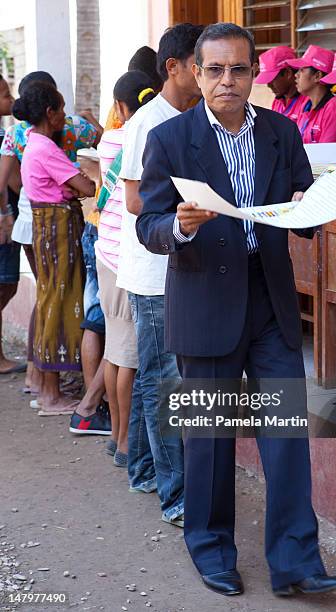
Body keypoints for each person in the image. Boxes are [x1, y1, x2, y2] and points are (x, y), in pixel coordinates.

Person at [136, 23, 336, 597]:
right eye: (215, 70)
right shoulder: (171, 139)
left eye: (239, 70)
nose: (227, 80)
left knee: (285, 438)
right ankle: (210, 550)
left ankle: (296, 562)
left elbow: (308, 202)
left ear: (254, 74)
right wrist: (175, 225)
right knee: (209, 439)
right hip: (204, 300)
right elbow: (147, 223)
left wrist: (311, 206)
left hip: (270, 300)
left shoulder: (280, 132)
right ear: (196, 74)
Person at [117, 22, 203, 525]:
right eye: (201, 63)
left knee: (159, 375)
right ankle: (175, 495)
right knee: (162, 379)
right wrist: (187, 208)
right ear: (174, 67)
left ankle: (144, 470)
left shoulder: (191, 115)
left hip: (174, 264)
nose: (210, 73)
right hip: (153, 271)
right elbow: (133, 200)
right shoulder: (150, 122)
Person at [71, 71, 156, 466]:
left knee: (119, 352)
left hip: (107, 252)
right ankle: (123, 442)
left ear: (120, 108)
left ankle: (119, 438)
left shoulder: (110, 138)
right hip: (127, 258)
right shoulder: (148, 136)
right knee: (127, 356)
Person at [0, 70, 103, 397]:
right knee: (58, 301)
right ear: (49, 112)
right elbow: (87, 186)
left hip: (38, 222)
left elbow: (9, 180)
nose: (65, 115)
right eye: (60, 109)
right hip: (55, 226)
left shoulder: (24, 139)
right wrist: (77, 188)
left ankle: (41, 383)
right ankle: (50, 392)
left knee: (49, 299)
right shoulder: (47, 145)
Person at [0, 74, 23, 375]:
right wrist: (5, 214)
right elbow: (12, 182)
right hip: (4, 220)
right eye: (6, 94)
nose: (11, 99)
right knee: (5, 284)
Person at [286, 45, 336, 145]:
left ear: (317, 76)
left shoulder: (334, 108)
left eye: (302, 70)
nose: (296, 75)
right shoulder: (306, 105)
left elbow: (328, 154)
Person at [254, 46, 307, 124]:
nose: (269, 85)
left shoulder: (307, 103)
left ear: (288, 73)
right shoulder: (277, 102)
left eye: (272, 79)